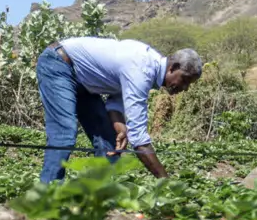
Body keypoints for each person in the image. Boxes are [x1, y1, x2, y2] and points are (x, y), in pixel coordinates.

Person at [35, 36, 202, 183]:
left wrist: (119, 124)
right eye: (185, 80)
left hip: (84, 80)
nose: (185, 88)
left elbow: (115, 99)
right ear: (172, 67)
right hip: (59, 64)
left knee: (110, 141)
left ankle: (95, 194)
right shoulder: (142, 69)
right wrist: (167, 183)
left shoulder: (148, 70)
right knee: (64, 132)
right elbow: (139, 140)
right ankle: (48, 194)